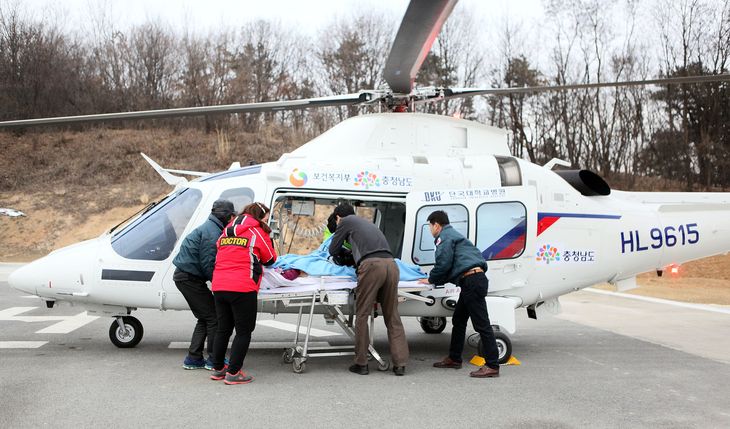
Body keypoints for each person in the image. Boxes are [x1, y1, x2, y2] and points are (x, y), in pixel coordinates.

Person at [328, 203, 409, 376]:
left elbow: (333, 249)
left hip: (372, 266)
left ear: (338, 217)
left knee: (362, 314)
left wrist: (344, 253)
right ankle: (400, 364)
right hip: (391, 265)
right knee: (392, 315)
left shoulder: (345, 222)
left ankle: (361, 363)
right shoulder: (366, 223)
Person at [418, 210, 501, 378]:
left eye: (430, 226)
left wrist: (431, 279)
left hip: (472, 280)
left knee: (482, 325)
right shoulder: (454, 235)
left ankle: (492, 365)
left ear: (436, 225)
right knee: (459, 320)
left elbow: (443, 263)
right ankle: (454, 358)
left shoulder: (444, 237)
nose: (430, 230)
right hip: (472, 280)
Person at [209, 202, 277, 385]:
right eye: (266, 218)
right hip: (242, 287)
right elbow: (270, 259)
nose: (267, 221)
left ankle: (218, 368)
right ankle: (233, 372)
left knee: (223, 328)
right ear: (260, 217)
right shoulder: (256, 232)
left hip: (219, 285)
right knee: (244, 331)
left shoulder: (226, 231)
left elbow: (219, 250)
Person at [172, 199, 235, 370]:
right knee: (214, 317)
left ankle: (194, 358)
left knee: (205, 317)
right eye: (231, 216)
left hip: (185, 277)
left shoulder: (211, 227)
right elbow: (208, 263)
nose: (232, 219)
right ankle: (214, 359)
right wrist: (220, 286)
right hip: (189, 278)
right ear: (225, 216)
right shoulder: (212, 232)